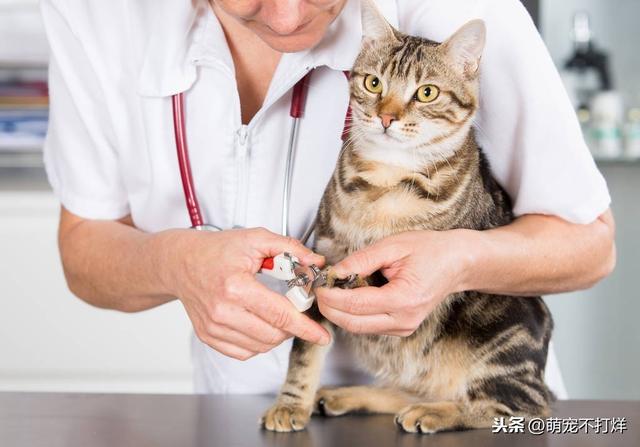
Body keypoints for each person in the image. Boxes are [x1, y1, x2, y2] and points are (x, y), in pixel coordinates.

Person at [41, 0, 615, 398]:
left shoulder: (459, 15)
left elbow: (590, 246)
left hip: (471, 404)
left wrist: (460, 261)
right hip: (245, 416)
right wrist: (176, 264)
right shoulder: (95, 18)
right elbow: (84, 249)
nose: (289, 18)